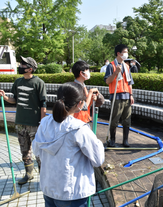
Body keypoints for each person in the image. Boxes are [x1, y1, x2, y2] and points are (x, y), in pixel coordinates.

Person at [32, 82, 105, 207]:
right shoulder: (79, 128)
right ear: (79, 104)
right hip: (72, 193)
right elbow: (98, 159)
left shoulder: (44, 123)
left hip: (49, 188)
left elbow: (35, 151)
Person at [0, 56, 47, 185]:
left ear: (29, 69)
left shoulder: (39, 83)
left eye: (23, 64)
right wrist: (4, 97)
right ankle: (29, 174)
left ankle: (44, 176)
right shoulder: (18, 82)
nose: (20, 66)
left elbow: (43, 104)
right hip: (20, 121)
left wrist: (42, 122)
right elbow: (14, 99)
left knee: (38, 151)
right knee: (24, 150)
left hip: (34, 123)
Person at [104, 44, 134, 147]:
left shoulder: (126, 66)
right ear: (118, 53)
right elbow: (108, 81)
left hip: (126, 96)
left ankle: (125, 140)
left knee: (127, 120)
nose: (126, 54)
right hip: (116, 96)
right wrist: (115, 73)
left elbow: (129, 82)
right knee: (115, 119)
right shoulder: (111, 65)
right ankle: (112, 140)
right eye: (125, 52)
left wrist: (131, 95)